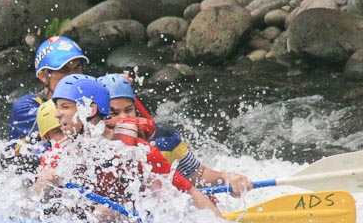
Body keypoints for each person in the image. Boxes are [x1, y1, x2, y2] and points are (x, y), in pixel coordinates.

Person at [34, 75, 224, 223]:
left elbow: (191, 192)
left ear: (89, 110)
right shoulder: (60, 154)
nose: (57, 114)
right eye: (58, 108)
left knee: (104, 212)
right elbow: (34, 203)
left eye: (65, 107)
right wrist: (44, 183)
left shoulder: (136, 151)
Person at [97, 74, 253, 196]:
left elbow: (198, 175)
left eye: (128, 110)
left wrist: (226, 178)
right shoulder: (91, 146)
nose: (125, 118)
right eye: (113, 113)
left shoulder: (164, 138)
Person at [4, 36, 88, 169]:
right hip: (29, 176)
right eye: (63, 70)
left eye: (77, 68)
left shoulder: (87, 99)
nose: (73, 76)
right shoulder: (25, 107)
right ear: (43, 76)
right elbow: (56, 121)